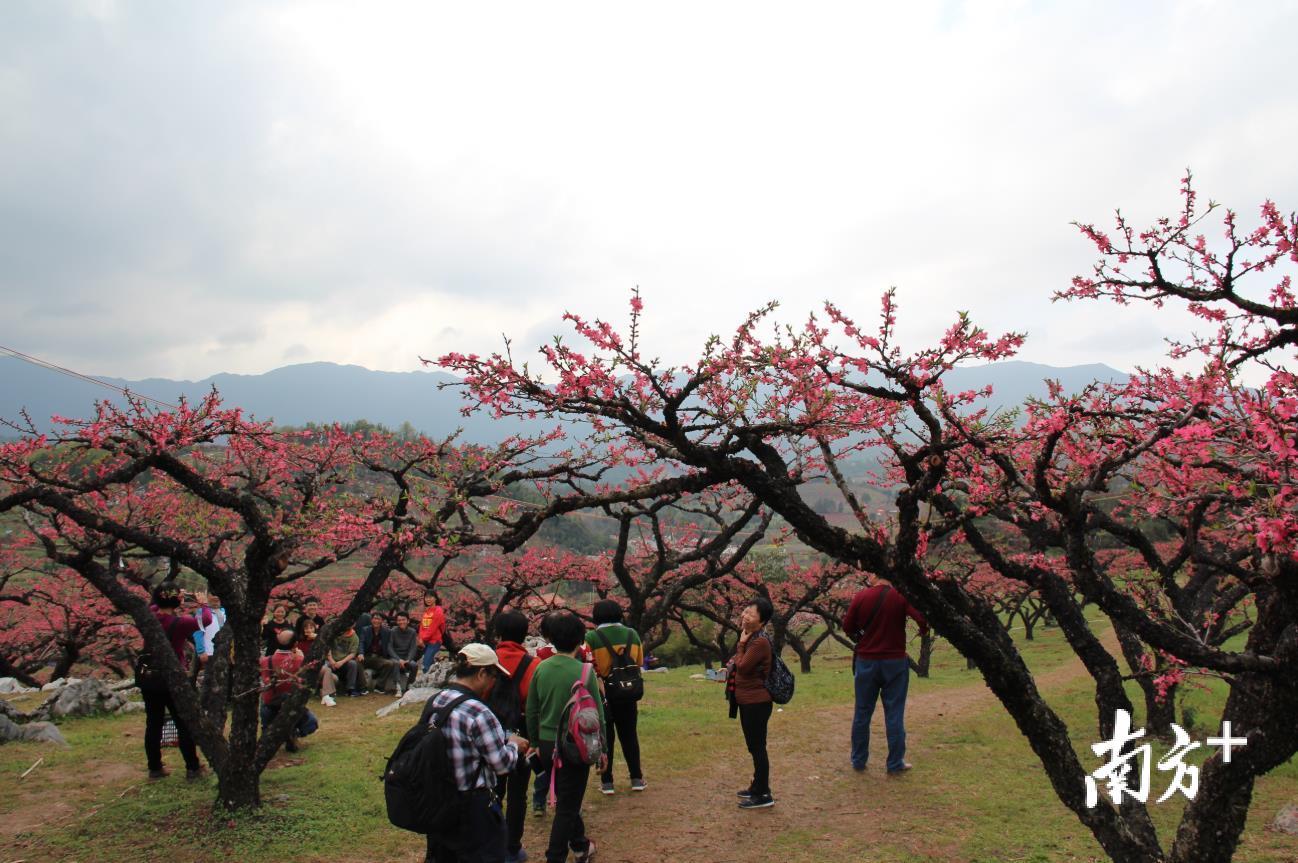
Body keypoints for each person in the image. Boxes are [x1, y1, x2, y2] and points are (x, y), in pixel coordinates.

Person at [421, 644, 530, 863]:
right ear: (481, 673)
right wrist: (514, 746)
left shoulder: (436, 701)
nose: (494, 682)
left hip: (439, 801)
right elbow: (501, 764)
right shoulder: (479, 712)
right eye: (493, 676)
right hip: (472, 806)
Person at [526, 611, 605, 863]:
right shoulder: (585, 671)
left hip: (549, 745)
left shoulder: (541, 668)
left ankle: (581, 845)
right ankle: (556, 856)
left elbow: (531, 710)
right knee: (567, 806)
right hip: (575, 745)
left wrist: (536, 743)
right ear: (580, 639)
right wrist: (602, 749)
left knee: (565, 796)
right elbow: (597, 715)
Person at [843, 581, 928, 774]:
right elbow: (922, 619)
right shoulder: (900, 595)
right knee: (894, 713)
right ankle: (895, 762)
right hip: (895, 662)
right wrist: (922, 631)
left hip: (866, 662)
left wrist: (863, 636)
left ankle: (858, 760)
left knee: (862, 713)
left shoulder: (861, 596)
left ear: (873, 574)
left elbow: (847, 626)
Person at [141, 584, 212, 780]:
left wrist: (167, 597)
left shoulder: (149, 617)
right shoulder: (181, 623)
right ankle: (193, 767)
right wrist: (203, 603)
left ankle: (155, 767)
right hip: (173, 678)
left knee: (153, 723)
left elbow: (155, 605)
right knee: (183, 722)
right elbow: (206, 619)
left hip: (149, 678)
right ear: (177, 601)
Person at [492, 610, 541, 863]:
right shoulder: (534, 665)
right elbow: (537, 706)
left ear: (498, 633)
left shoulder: (488, 663)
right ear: (525, 635)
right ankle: (512, 847)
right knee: (518, 793)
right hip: (523, 736)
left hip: (491, 731)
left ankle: (491, 843)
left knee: (492, 791)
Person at [585, 599, 646, 795]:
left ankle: (607, 781)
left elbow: (587, 666)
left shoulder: (592, 637)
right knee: (629, 736)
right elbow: (639, 661)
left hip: (603, 693)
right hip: (627, 692)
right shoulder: (632, 634)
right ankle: (636, 778)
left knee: (605, 737)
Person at [728, 596, 774, 809]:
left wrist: (741, 644)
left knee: (757, 747)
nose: (745, 616)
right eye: (745, 611)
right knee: (754, 746)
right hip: (749, 700)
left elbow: (743, 666)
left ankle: (764, 794)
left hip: (756, 701)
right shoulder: (754, 637)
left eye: (751, 614)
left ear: (762, 621)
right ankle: (757, 786)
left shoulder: (759, 641)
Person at [259, 628, 318, 753]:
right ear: (295, 644)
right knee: (312, 723)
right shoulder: (300, 661)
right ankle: (293, 732)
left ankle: (271, 734)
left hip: (270, 705)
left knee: (267, 722)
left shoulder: (266, 661)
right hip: (291, 705)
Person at [359, 611, 400, 695]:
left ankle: (379, 686)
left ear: (382, 621)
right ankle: (363, 687)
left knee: (389, 664)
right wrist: (361, 653)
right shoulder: (365, 630)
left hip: (378, 657)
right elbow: (361, 642)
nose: (376, 621)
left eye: (378, 619)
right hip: (367, 656)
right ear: (371, 620)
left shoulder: (387, 632)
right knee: (357, 663)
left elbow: (389, 645)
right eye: (374, 618)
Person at [321, 624, 363, 702]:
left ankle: (350, 689)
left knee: (353, 664)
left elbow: (353, 653)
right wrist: (332, 661)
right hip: (331, 660)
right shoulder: (334, 632)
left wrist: (341, 662)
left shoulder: (355, 637)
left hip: (343, 661)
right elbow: (327, 647)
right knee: (325, 666)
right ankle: (327, 692)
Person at [387, 610, 422, 695]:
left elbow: (413, 648)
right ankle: (398, 686)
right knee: (395, 663)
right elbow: (389, 647)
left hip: (406, 658)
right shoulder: (393, 631)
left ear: (408, 621)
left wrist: (408, 659)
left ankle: (409, 686)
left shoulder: (412, 632)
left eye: (403, 620)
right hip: (395, 657)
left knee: (414, 665)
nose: (401, 622)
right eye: (399, 620)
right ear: (396, 621)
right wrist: (399, 659)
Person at [419, 591, 447, 673]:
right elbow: (422, 626)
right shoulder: (427, 611)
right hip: (425, 642)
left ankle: (426, 684)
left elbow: (433, 628)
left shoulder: (438, 611)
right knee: (430, 664)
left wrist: (422, 638)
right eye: (426, 597)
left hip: (434, 641)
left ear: (435, 598)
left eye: (431, 597)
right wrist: (420, 638)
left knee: (425, 665)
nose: (428, 599)